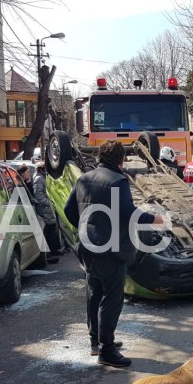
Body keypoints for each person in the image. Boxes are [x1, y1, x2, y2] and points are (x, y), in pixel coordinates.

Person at [64, 140, 165, 368]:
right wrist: (154, 219)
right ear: (121, 159)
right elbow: (128, 213)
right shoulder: (118, 181)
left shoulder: (84, 179)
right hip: (110, 250)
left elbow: (69, 210)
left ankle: (96, 341)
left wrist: (86, 228)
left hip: (88, 246)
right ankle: (107, 350)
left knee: (94, 293)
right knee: (112, 298)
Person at [33, 163, 62, 262]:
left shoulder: (42, 178)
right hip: (45, 208)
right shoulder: (39, 179)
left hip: (48, 208)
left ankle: (53, 250)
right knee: (50, 230)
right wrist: (49, 203)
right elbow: (38, 194)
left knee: (53, 229)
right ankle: (49, 253)